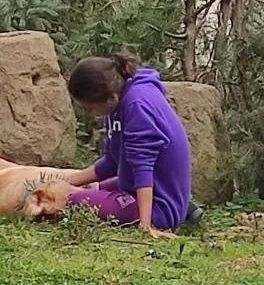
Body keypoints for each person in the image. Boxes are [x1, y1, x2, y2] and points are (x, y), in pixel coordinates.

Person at [64, 52, 203, 239]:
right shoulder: (119, 101)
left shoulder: (137, 105)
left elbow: (143, 168)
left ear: (111, 97)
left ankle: (162, 215)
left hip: (159, 207)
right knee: (86, 188)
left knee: (70, 200)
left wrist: (146, 226)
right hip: (136, 187)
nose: (88, 113)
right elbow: (113, 162)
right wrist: (70, 181)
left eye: (89, 108)